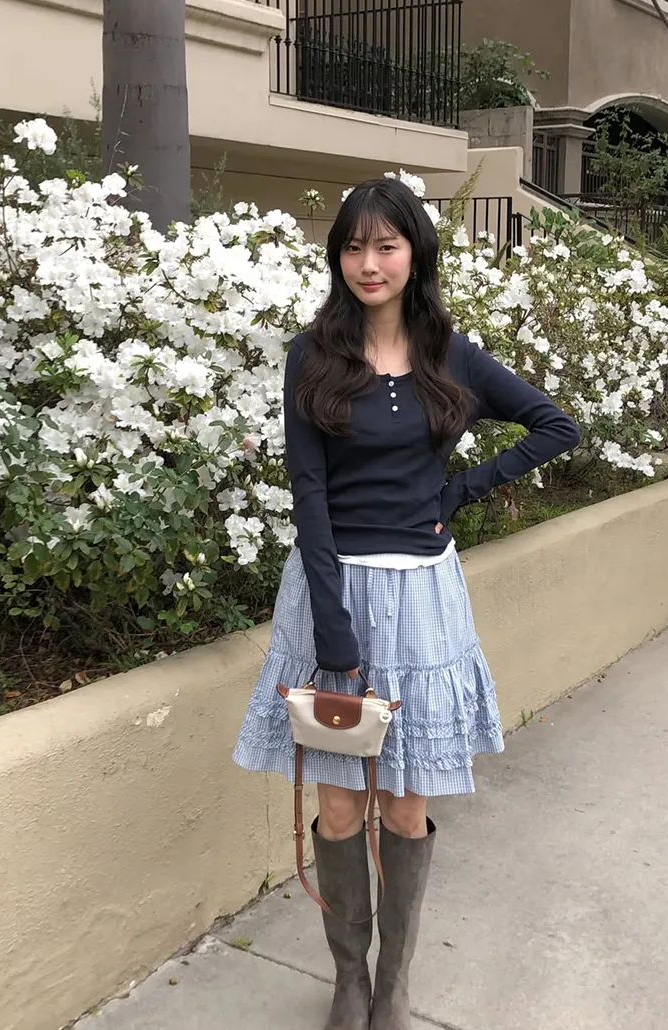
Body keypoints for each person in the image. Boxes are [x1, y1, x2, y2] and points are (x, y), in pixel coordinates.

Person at [233, 177, 581, 1030]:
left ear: (415, 255)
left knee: (405, 801)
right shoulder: (311, 355)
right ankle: (349, 981)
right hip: (333, 589)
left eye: (386, 245)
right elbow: (308, 492)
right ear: (338, 257)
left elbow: (555, 425)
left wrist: (458, 491)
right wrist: (332, 624)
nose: (369, 263)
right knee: (339, 801)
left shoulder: (451, 355)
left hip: (424, 600)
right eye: (353, 246)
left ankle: (393, 985)